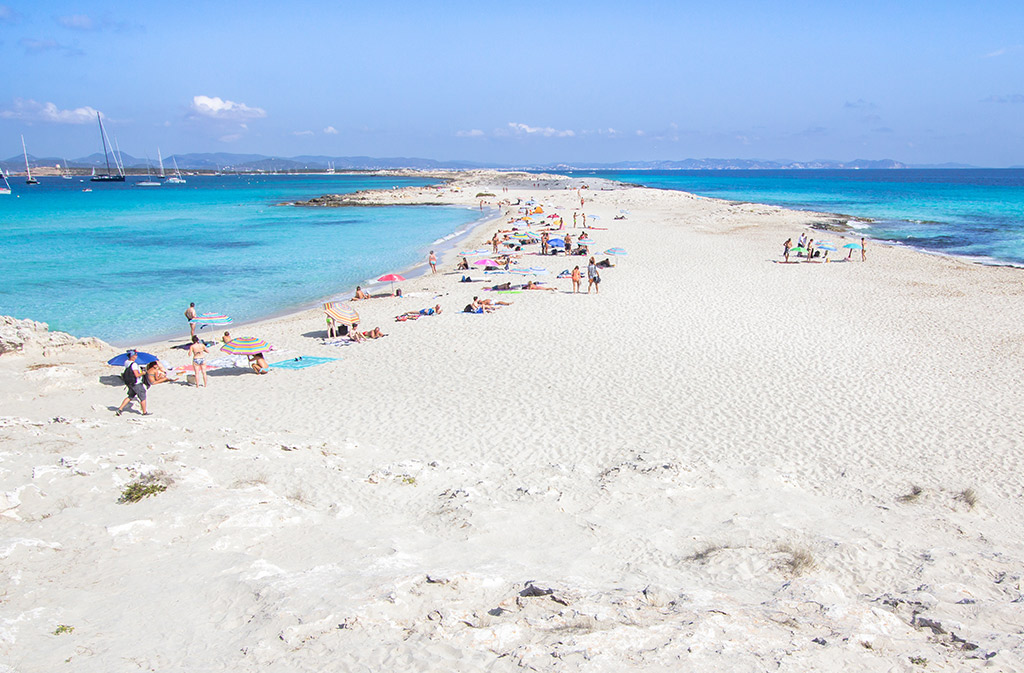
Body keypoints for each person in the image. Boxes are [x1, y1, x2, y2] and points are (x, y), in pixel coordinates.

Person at [115, 350, 149, 416]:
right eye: (135, 355)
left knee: (130, 396)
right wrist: (143, 373)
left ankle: (120, 409)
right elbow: (136, 375)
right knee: (142, 397)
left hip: (130, 383)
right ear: (133, 356)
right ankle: (144, 412)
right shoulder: (134, 364)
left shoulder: (126, 362)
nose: (136, 356)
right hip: (136, 383)